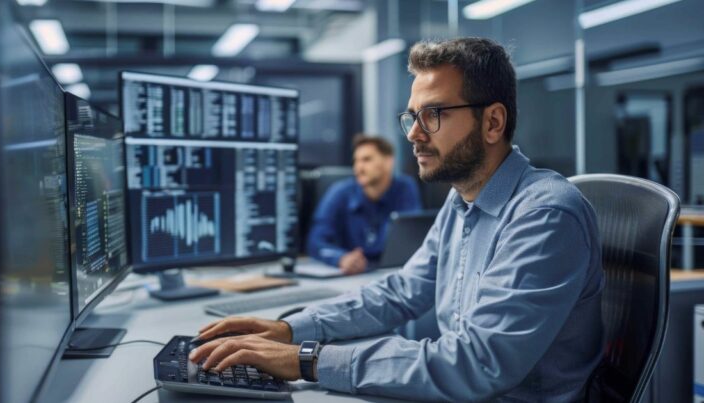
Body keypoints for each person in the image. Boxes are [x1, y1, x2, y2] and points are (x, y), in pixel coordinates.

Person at [188, 37, 604, 401]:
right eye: (412, 116)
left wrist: (307, 359)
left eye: (434, 114)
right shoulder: (462, 202)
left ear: (493, 122)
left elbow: (477, 364)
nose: (413, 134)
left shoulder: (545, 215)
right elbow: (401, 293)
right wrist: (290, 329)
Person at [306, 134, 422, 275]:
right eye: (356, 161)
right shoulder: (339, 192)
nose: (358, 168)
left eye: (367, 160)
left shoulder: (405, 187)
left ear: (388, 161)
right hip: (351, 275)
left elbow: (411, 238)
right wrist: (341, 258)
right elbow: (315, 241)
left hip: (390, 272)